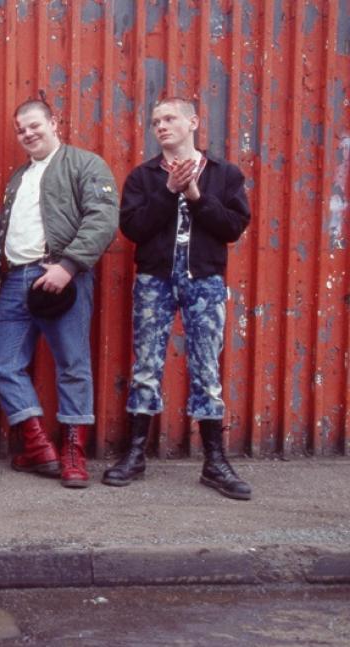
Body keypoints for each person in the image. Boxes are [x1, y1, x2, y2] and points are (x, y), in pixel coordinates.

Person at [105, 97, 253, 500]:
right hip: (155, 280)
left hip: (204, 281)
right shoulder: (144, 176)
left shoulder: (225, 175)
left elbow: (231, 228)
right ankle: (135, 455)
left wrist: (196, 195)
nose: (161, 126)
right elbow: (133, 228)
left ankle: (215, 462)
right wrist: (170, 191)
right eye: (155, 122)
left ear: (193, 122)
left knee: (206, 369)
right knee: (146, 365)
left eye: (169, 119)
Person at [0, 99, 118, 489]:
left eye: (34, 125)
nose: (27, 133)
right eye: (21, 129)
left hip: (63, 274)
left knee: (73, 363)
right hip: (16, 280)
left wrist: (68, 266)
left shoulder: (85, 164)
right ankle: (38, 444)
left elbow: (103, 217)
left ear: (54, 122)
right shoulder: (19, 177)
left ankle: (73, 452)